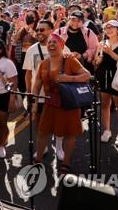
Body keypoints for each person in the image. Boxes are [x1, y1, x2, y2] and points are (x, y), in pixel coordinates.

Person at [32, 33, 91, 174]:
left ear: (62, 46)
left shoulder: (69, 60)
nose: (51, 45)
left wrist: (68, 78)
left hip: (68, 104)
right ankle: (38, 159)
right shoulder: (44, 63)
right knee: (42, 131)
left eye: (55, 43)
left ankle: (65, 163)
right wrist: (34, 103)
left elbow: (87, 75)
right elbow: (37, 85)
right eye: (49, 43)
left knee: (69, 134)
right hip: (49, 103)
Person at [23, 20, 64, 160]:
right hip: (38, 94)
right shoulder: (31, 49)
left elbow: (70, 63)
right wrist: (29, 93)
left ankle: (59, 147)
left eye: (43, 30)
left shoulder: (61, 46)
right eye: (38, 30)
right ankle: (43, 147)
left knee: (59, 121)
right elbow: (28, 73)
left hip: (58, 93)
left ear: (51, 31)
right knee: (39, 122)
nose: (39, 32)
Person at [94, 20, 118, 145]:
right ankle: (107, 130)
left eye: (112, 27)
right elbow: (96, 61)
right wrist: (98, 59)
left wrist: (110, 52)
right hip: (103, 76)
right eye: (107, 28)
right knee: (104, 105)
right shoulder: (101, 43)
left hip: (117, 76)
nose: (109, 30)